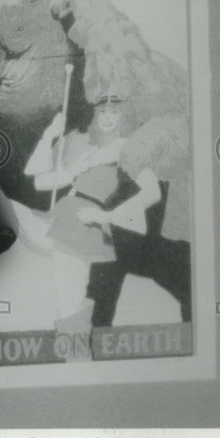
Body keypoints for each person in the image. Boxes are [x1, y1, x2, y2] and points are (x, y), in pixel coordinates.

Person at [24, 94, 190, 330]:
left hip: (84, 228)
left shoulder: (130, 149)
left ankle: (77, 356)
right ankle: (77, 354)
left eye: (114, 112)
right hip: (65, 219)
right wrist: (48, 135)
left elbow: (152, 193)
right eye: (103, 112)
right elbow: (40, 183)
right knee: (68, 301)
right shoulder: (89, 151)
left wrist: (107, 217)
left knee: (72, 302)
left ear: (124, 117)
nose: (108, 118)